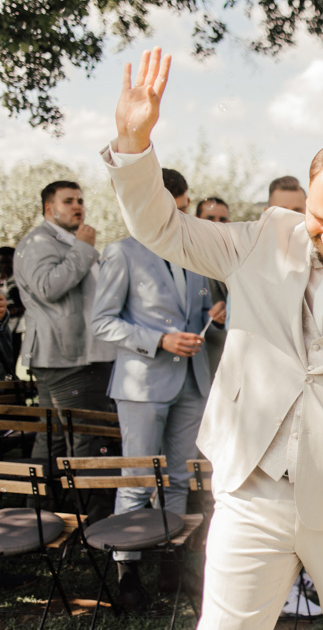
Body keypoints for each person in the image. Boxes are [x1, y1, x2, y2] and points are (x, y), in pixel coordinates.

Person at [101, 48, 323, 629]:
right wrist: (134, 145)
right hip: (252, 488)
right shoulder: (262, 237)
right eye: (319, 217)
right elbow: (160, 226)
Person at [92, 167, 215, 607]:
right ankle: (128, 576)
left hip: (192, 381)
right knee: (138, 479)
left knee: (180, 478)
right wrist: (159, 340)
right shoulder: (121, 252)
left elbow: (197, 307)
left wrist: (214, 310)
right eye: (176, 209)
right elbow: (101, 322)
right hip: (142, 383)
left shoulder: (193, 253)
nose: (182, 217)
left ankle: (172, 568)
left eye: (185, 209)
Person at [13, 181, 115, 461]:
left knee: (55, 438)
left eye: (80, 201)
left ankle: (44, 504)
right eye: (68, 201)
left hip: (75, 356)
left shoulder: (69, 242)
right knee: (88, 437)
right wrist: (84, 248)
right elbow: (48, 288)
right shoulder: (38, 243)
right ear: (49, 208)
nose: (78, 206)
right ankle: (91, 506)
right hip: (68, 358)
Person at [194, 197, 231, 378]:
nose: (217, 224)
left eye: (222, 219)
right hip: (199, 363)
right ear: (196, 219)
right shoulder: (185, 257)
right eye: (210, 218)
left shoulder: (235, 258)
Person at [0, 247, 25, 365]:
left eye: (8, 263)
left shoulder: (20, 281)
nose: (5, 266)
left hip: (14, 329)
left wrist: (12, 310)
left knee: (10, 362)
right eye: (1, 262)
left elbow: (25, 305)